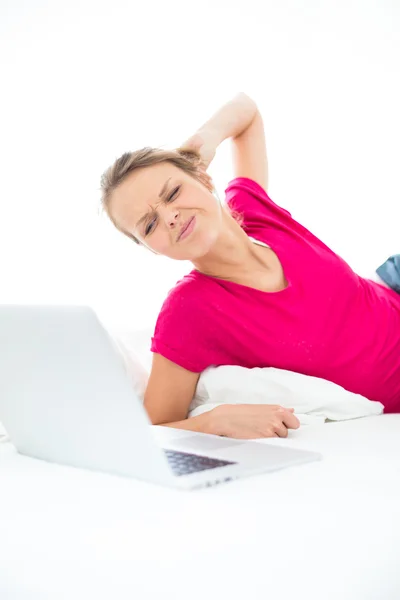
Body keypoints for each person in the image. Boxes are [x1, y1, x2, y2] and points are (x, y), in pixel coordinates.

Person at [99, 92, 400, 439]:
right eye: (149, 225)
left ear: (204, 179)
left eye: (172, 193)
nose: (169, 217)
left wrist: (203, 141)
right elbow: (154, 425)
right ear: (149, 248)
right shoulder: (188, 310)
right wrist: (211, 422)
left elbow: (247, 111)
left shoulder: (253, 210)